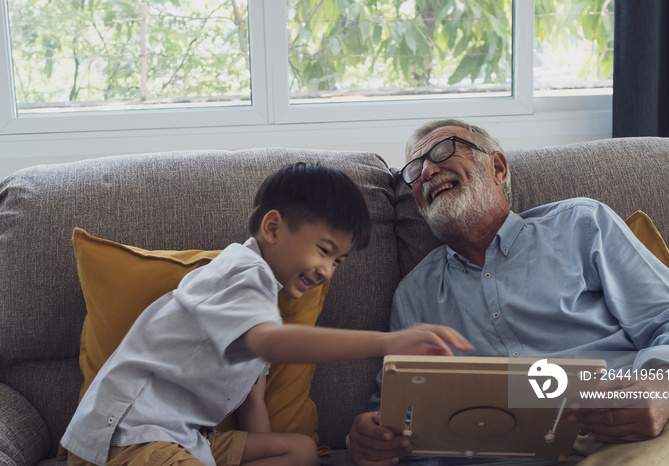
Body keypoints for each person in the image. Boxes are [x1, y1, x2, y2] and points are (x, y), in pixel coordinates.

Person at [60, 162, 471, 466]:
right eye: (324, 250)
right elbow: (270, 342)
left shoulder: (260, 305)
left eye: (338, 261)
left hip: (183, 437)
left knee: (300, 449)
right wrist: (387, 341)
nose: (328, 271)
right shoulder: (240, 273)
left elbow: (253, 398)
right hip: (128, 435)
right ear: (272, 228)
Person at [348, 120, 669, 466]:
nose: (425, 171)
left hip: (618, 431)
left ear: (497, 167)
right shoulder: (415, 293)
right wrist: (369, 438)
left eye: (442, 151)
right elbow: (398, 407)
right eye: (413, 169)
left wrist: (664, 389)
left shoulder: (581, 225)